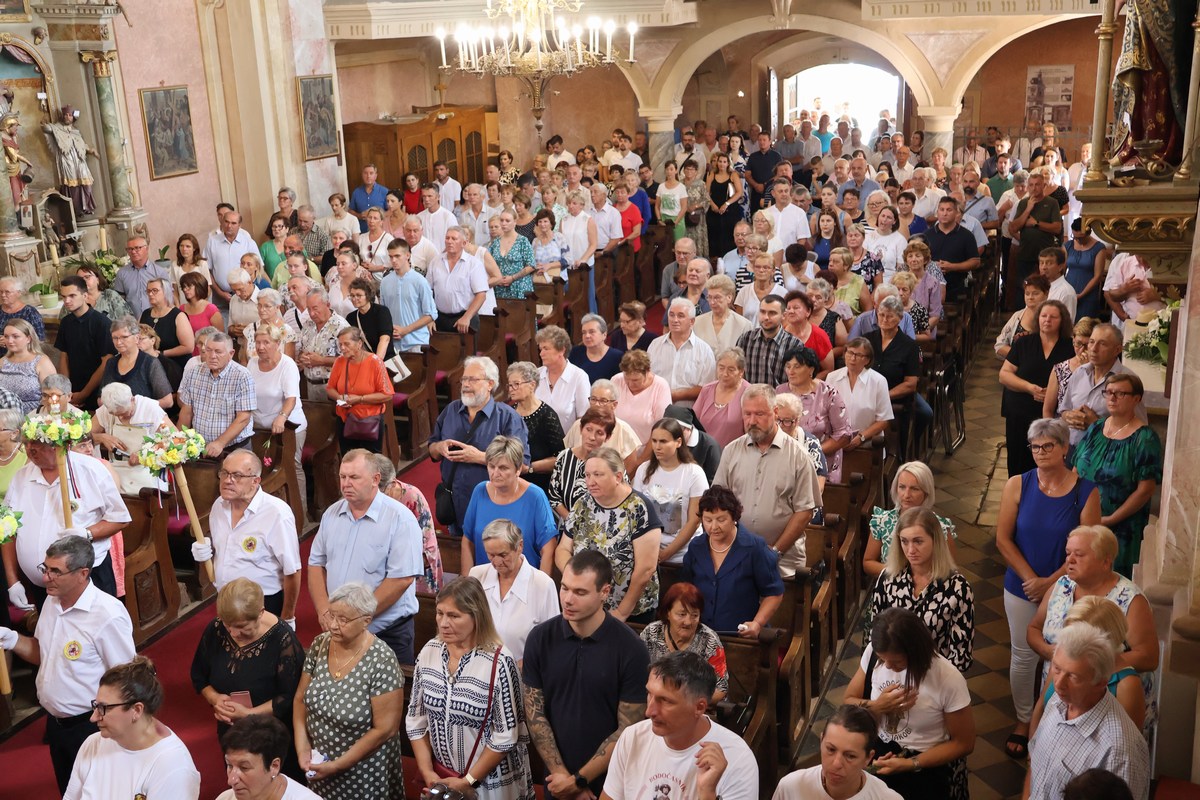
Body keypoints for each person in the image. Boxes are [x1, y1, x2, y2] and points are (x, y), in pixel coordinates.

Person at [996, 418, 1101, 758]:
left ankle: (1057, 720)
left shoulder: (1086, 492)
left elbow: (1088, 550)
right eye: (1035, 447)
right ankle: (1024, 719)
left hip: (1070, 588)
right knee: (1023, 655)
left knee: (1064, 656)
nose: (1040, 452)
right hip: (1022, 586)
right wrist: (1032, 580)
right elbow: (1003, 539)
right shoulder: (1018, 484)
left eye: (1048, 446)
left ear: (1065, 447)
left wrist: (1051, 583)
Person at [0, 535, 135, 792]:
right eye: (45, 568)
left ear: (83, 573)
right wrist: (13, 639)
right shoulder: (52, 603)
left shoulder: (107, 615)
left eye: (55, 571)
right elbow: (43, 654)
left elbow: (126, 679)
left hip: (92, 726)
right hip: (56, 724)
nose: (45, 577)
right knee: (70, 792)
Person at [523, 550, 651, 798]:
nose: (568, 599)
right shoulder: (540, 638)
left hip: (611, 782)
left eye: (580, 592)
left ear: (605, 592)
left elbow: (628, 727)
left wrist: (579, 781)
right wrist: (563, 778)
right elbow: (535, 714)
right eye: (564, 588)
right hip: (556, 779)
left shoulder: (631, 648)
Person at [407, 577, 535, 800]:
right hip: (441, 778)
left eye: (454, 616)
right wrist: (427, 772)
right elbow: (416, 719)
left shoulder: (499, 661)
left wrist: (468, 781)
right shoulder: (429, 651)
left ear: (476, 616)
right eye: (440, 613)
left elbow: (506, 736)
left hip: (489, 784)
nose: (443, 623)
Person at [1028, 524, 1160, 723]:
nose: (1069, 560)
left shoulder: (1131, 599)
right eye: (1068, 553)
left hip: (1112, 705)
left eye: (1079, 555)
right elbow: (1033, 628)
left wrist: (1086, 663)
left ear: (1105, 562)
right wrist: (1049, 652)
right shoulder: (1061, 586)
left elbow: (1148, 657)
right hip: (1060, 694)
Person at [843, 608, 974, 800]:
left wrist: (911, 763)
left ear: (916, 652)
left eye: (897, 661)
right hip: (878, 751)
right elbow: (848, 701)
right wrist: (877, 706)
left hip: (924, 764)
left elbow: (964, 743)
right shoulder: (872, 652)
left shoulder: (947, 679)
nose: (888, 666)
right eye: (882, 659)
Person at [309, 449, 424, 663]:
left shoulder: (400, 519)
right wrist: (324, 609)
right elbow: (316, 563)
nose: (346, 484)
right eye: (343, 477)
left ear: (375, 479)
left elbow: (402, 579)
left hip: (386, 632)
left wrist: (356, 616)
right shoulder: (331, 514)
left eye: (354, 477)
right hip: (339, 629)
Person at [294, 582, 406, 799]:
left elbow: (385, 729)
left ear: (366, 621)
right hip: (319, 763)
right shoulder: (320, 644)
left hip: (362, 772)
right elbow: (300, 699)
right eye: (331, 615)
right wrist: (303, 748)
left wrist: (339, 765)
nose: (333, 625)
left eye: (343, 620)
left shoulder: (382, 660)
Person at [602, 651, 758, 800]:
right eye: (650, 694)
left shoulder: (737, 758)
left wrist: (707, 793)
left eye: (665, 700)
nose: (649, 712)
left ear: (699, 707)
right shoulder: (633, 737)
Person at [1026, 623, 1150, 800]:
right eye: (1057, 669)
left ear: (1101, 682)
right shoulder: (1060, 699)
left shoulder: (1119, 751)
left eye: (1073, 676)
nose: (1059, 684)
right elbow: (1035, 765)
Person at [190, 578, 305, 768]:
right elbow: (199, 676)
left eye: (242, 627)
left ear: (260, 613)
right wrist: (215, 699)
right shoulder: (216, 629)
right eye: (228, 625)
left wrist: (249, 714)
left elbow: (290, 696)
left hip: (273, 733)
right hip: (232, 730)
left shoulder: (283, 640)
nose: (234, 633)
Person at [713, 384, 821, 577]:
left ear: (775, 412)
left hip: (783, 562)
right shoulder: (731, 451)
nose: (752, 421)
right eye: (747, 414)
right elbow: (719, 502)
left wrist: (774, 552)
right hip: (737, 556)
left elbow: (804, 512)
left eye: (759, 414)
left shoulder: (798, 456)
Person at [60, 656, 200, 799]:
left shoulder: (174, 767)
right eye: (96, 706)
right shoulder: (92, 745)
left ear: (137, 710)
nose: (93, 717)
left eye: (103, 708)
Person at [555, 446, 663, 623]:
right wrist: (577, 578)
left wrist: (621, 613)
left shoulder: (639, 508)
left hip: (631, 611)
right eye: (587, 475)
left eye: (598, 475)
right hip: (587, 606)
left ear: (618, 477)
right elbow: (562, 550)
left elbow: (646, 568)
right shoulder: (582, 504)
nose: (590, 482)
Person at [190, 450, 301, 619]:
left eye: (237, 476)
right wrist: (205, 551)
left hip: (263, 603)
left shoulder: (276, 513)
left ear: (255, 481)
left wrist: (288, 617)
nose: (227, 480)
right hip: (225, 599)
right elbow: (225, 550)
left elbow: (292, 570)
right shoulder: (219, 506)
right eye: (224, 473)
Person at [1071, 373, 1162, 577]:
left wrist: (1110, 519)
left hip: (1120, 527)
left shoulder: (1145, 438)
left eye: (1120, 393)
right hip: (1083, 520)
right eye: (1109, 392)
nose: (1112, 398)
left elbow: (1145, 490)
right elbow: (1076, 469)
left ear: (1136, 399)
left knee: (1108, 581)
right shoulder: (1096, 427)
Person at [430, 355, 530, 532]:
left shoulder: (507, 417)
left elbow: (522, 466)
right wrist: (439, 447)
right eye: (464, 379)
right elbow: (432, 449)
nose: (466, 384)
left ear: (490, 384)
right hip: (455, 503)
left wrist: (479, 457)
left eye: (473, 379)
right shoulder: (451, 410)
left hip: (493, 506)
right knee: (457, 548)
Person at [867, 507, 973, 671]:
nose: (910, 550)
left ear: (935, 541)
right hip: (892, 672)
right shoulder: (888, 578)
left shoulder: (958, 588)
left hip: (936, 676)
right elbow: (876, 634)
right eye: (904, 541)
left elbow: (961, 656)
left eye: (918, 541)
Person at [1028, 597, 1147, 737]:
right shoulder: (1064, 661)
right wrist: (1033, 745)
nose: (1069, 643)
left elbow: (1128, 739)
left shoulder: (1127, 686)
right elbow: (1041, 707)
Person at [679, 484, 785, 635]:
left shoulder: (754, 547)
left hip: (739, 635)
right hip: (701, 634)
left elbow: (774, 593)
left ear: (734, 517)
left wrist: (757, 623)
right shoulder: (696, 547)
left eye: (721, 519)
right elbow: (686, 588)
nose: (714, 527)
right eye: (708, 520)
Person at [467, 519, 560, 663]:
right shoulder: (476, 576)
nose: (497, 562)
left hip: (523, 671)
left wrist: (525, 664)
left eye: (503, 555)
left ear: (519, 546)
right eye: (491, 555)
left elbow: (552, 641)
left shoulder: (543, 585)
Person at [462, 434, 558, 572]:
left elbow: (548, 548)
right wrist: (467, 581)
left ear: (518, 469)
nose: (495, 473)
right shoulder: (480, 491)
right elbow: (467, 541)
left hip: (524, 579)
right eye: (492, 466)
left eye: (503, 468)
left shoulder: (535, 496)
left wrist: (542, 584)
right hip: (484, 579)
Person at [1000, 299, 1074, 476]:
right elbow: (1004, 374)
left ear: (1062, 321)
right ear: (1037, 318)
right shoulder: (1024, 343)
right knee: (1018, 461)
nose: (1047, 320)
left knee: (1048, 461)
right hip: (1020, 410)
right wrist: (1029, 387)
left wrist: (1053, 393)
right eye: (1043, 316)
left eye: (1053, 317)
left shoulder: (1070, 347)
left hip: (1053, 413)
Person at [772, 704, 904, 800]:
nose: (836, 764)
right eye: (831, 749)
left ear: (868, 758)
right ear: (821, 741)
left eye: (850, 756)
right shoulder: (791, 787)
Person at [632, 417, 709, 564]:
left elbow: (694, 521)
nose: (657, 447)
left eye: (663, 441)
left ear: (678, 442)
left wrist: (665, 554)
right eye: (654, 441)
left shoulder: (694, 473)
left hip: (684, 555)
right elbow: (636, 512)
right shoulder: (644, 470)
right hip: (649, 550)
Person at [639, 583, 729, 701]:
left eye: (694, 615)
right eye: (682, 614)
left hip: (693, 706)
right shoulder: (652, 633)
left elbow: (721, 689)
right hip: (653, 701)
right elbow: (635, 673)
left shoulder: (709, 640)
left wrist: (684, 703)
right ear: (668, 612)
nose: (688, 622)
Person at [778, 345, 852, 482]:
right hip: (784, 466)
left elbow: (843, 435)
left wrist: (812, 452)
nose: (791, 371)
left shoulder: (828, 393)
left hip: (821, 466)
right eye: (788, 366)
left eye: (797, 366)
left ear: (811, 369)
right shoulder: (779, 392)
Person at [177, 331, 255, 455]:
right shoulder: (194, 373)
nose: (212, 356)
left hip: (234, 448)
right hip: (199, 446)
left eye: (218, 352)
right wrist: (179, 441)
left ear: (231, 354)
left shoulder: (242, 376)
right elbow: (186, 412)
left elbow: (243, 418)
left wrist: (220, 443)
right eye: (208, 350)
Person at [217, 714, 321, 799]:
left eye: (244, 767)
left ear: (274, 766)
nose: (231, 780)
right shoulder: (226, 798)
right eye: (229, 765)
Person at [326, 326, 390, 454]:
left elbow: (387, 395)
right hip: (345, 418)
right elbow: (330, 388)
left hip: (370, 420)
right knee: (348, 457)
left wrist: (360, 399)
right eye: (340, 344)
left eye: (346, 344)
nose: (342, 348)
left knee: (371, 459)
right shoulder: (339, 361)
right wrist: (339, 397)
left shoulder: (375, 362)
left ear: (359, 343)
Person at [507, 360, 566, 494]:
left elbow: (560, 458)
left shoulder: (547, 415)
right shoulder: (508, 413)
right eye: (510, 385)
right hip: (512, 484)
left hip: (541, 485)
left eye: (516, 384)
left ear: (532, 385)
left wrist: (529, 468)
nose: (511, 389)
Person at [551, 407, 617, 521]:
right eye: (588, 429)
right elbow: (554, 497)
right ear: (581, 429)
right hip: (568, 523)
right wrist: (572, 522)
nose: (592, 437)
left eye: (599, 433)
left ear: (607, 437)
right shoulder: (564, 457)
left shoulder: (613, 464)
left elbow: (621, 498)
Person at [99, 315, 172, 409]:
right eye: (115, 338)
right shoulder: (111, 363)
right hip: (113, 416)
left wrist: (134, 408)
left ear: (137, 338)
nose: (118, 342)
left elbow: (167, 401)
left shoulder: (150, 363)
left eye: (124, 337)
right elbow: (100, 398)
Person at [428, 227, 490, 333]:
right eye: (447, 238)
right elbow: (428, 291)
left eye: (454, 239)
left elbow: (481, 295)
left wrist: (467, 317)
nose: (449, 241)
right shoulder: (435, 261)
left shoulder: (474, 264)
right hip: (439, 317)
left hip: (465, 317)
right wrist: (429, 317)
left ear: (464, 243)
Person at [536, 324, 591, 432]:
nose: (541, 354)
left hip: (568, 440)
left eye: (546, 348)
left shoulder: (579, 377)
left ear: (561, 350)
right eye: (540, 349)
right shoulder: (536, 374)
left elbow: (584, 418)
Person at [298, 287, 349, 400]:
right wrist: (302, 357)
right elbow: (301, 349)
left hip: (333, 387)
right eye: (308, 309)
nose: (312, 313)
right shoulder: (307, 325)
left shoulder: (341, 326)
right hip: (310, 386)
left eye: (315, 308)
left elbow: (349, 360)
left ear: (327, 305)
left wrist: (321, 360)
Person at [612, 348, 673, 443]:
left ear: (648, 371)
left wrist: (644, 453)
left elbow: (662, 428)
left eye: (635, 380)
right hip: (617, 445)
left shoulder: (660, 386)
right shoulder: (616, 380)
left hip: (647, 446)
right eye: (626, 378)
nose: (630, 384)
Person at [694, 346, 750, 448]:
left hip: (734, 453)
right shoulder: (707, 389)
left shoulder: (749, 393)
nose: (725, 374)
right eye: (721, 368)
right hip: (703, 451)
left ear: (741, 372)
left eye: (731, 370)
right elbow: (693, 421)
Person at [139, 277, 194, 381]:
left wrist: (161, 353)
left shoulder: (178, 316)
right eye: (148, 291)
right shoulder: (145, 314)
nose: (150, 294)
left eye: (155, 290)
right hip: (149, 366)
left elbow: (188, 347)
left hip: (175, 368)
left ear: (166, 292)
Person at [0, 318, 55, 413]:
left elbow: (53, 394)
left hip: (33, 415)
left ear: (28, 338)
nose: (10, 341)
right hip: (5, 415)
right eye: (6, 336)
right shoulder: (2, 361)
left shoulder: (42, 362)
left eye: (15, 336)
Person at [695, 274, 752, 355]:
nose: (712, 302)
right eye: (709, 297)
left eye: (717, 297)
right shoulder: (697, 323)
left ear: (729, 297)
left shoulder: (744, 325)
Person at [344, 278, 394, 361]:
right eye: (352, 295)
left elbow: (385, 339)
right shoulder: (351, 317)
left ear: (368, 295)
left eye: (358, 295)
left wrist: (377, 362)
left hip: (385, 361)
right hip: (364, 362)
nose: (354, 299)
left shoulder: (381, 311)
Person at [706, 151, 743, 257]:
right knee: (714, 235)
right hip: (714, 210)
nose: (722, 164)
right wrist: (712, 204)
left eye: (724, 162)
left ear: (728, 163)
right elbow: (706, 192)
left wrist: (726, 204)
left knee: (728, 236)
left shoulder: (733, 175)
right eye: (720, 161)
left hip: (730, 209)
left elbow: (739, 192)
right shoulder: (712, 174)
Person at [0, 275, 44, 351]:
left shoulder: (30, 312)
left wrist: (9, 341)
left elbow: (40, 339)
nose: (3, 295)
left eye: (7, 292)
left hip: (24, 355)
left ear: (18, 293)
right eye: (1, 292)